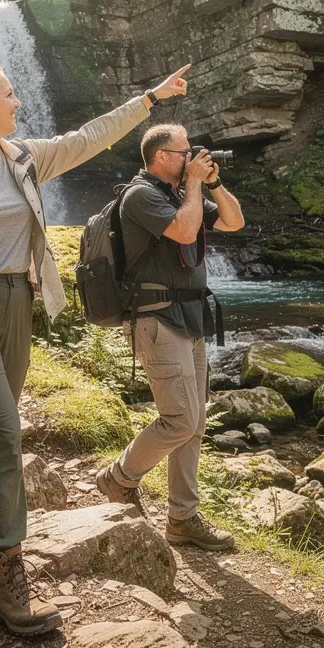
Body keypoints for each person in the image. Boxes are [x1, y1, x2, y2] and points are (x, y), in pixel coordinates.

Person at [0, 59, 192, 637]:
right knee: (5, 431)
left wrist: (149, 99)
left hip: (14, 305)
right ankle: (6, 573)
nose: (18, 103)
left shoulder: (24, 157)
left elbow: (88, 137)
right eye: (9, 95)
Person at [95, 123, 245, 550]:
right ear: (161, 156)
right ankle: (118, 477)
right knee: (179, 419)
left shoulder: (183, 194)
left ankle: (182, 518)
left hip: (191, 317)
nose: (192, 157)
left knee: (194, 425)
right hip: (159, 318)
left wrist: (211, 182)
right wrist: (195, 185)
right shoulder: (141, 195)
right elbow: (182, 232)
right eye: (185, 153)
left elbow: (234, 222)